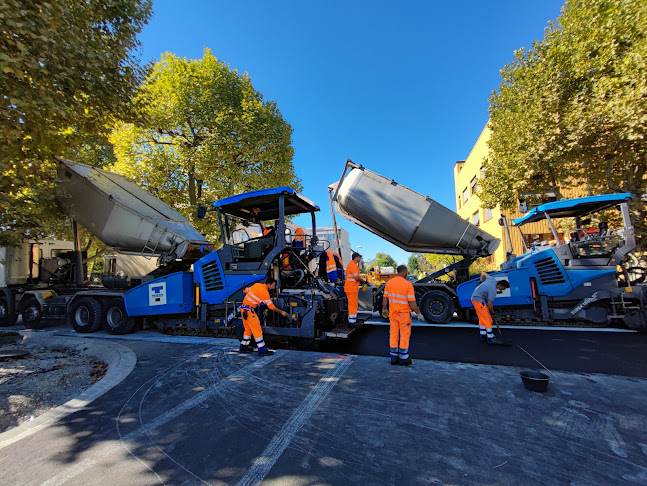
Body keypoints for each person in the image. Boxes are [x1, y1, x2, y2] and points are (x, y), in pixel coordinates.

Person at [382, 265, 424, 366]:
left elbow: (385, 298)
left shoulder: (389, 283)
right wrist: (418, 313)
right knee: (404, 335)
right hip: (404, 314)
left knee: (393, 334)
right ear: (404, 272)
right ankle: (403, 359)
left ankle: (393, 357)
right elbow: (412, 302)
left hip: (393, 314)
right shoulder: (407, 284)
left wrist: (384, 309)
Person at [239, 277, 288, 355]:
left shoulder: (257, 285)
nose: (273, 287)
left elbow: (246, 290)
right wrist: (282, 312)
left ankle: (243, 346)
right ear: (268, 284)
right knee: (257, 329)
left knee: (248, 329)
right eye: (273, 285)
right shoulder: (264, 292)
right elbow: (271, 307)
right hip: (249, 311)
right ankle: (262, 349)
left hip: (243, 309)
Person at [470, 272, 510, 345]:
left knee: (482, 319)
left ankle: (483, 336)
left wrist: (480, 282)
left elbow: (483, 274)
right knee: (488, 319)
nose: (502, 290)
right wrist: (492, 313)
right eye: (503, 288)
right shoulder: (493, 291)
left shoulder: (492, 280)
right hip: (478, 301)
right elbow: (489, 304)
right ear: (500, 285)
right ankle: (490, 338)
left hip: (474, 298)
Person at [344, 252, 363, 326]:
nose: (360, 259)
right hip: (351, 288)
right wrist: (363, 281)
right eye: (359, 257)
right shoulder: (353, 266)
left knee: (352, 304)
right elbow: (356, 277)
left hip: (350, 288)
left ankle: (352, 319)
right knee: (353, 304)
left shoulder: (351, 265)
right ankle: (352, 321)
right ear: (356, 257)